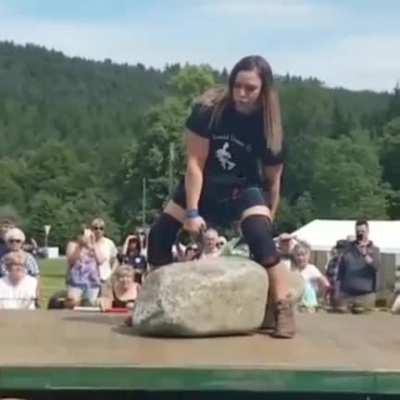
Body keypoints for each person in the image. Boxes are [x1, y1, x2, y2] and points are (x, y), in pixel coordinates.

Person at [147, 55, 295, 338]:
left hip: (243, 188)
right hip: (205, 185)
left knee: (261, 238)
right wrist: (191, 212)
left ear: (264, 90)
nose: (241, 94)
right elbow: (195, 164)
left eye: (250, 88)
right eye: (237, 85)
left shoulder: (269, 129)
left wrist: (268, 221)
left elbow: (273, 182)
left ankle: (281, 308)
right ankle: (154, 304)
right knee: (159, 235)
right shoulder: (209, 112)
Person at [335, 220, 381, 313]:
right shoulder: (347, 249)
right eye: (358, 232)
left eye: (363, 231)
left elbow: (376, 267)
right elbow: (340, 272)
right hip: (346, 295)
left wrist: (365, 254)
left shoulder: (374, 249)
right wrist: (337, 292)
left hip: (365, 296)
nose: (360, 234)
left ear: (368, 232)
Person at [65, 232, 102, 308]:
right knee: (72, 303)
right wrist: (80, 246)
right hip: (76, 281)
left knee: (90, 304)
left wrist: (93, 245)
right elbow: (71, 261)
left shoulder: (95, 245)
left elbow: (100, 260)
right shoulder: (73, 245)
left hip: (92, 282)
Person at [291, 241, 330, 311]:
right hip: (295, 305)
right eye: (298, 255)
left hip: (309, 305)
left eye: (303, 255)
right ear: (294, 255)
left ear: (308, 255)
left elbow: (326, 284)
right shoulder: (292, 269)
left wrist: (321, 296)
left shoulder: (312, 269)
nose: (300, 258)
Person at [90, 218, 118, 282]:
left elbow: (115, 260)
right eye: (95, 228)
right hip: (90, 280)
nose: (98, 230)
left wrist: (111, 274)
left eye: (101, 228)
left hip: (105, 278)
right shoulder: (87, 243)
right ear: (92, 229)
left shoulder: (109, 243)